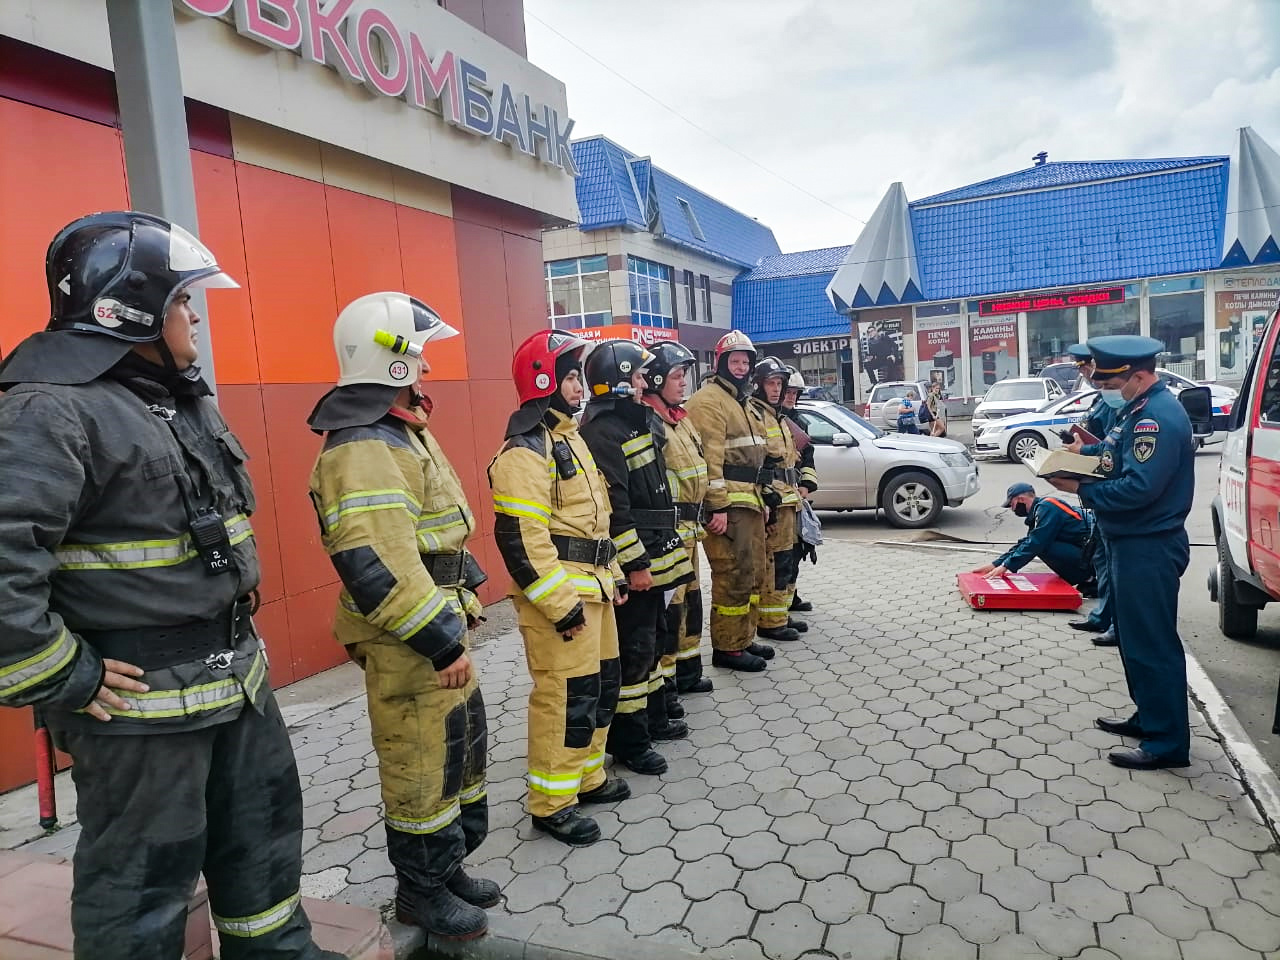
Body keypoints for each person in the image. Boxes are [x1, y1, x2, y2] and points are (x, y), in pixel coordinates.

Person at [0, 211, 342, 960]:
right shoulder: (47, 409)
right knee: (141, 898)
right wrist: (65, 676)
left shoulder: (173, 397)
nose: (194, 316)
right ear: (135, 308)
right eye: (185, 301)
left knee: (264, 866)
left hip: (237, 691)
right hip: (140, 717)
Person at [306, 293, 495, 940]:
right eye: (418, 355)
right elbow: (376, 562)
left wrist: (466, 580)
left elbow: (426, 529)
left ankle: (448, 872)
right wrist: (442, 641)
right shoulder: (362, 443)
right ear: (388, 359)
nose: (428, 369)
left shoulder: (398, 427)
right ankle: (420, 893)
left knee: (456, 754)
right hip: (410, 638)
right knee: (419, 765)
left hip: (436, 622)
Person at [487, 331, 631, 846]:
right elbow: (521, 540)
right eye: (570, 376)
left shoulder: (569, 436)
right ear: (543, 380)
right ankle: (551, 803)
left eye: (577, 376)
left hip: (592, 589)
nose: (579, 386)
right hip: (562, 602)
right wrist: (560, 605)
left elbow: (593, 523)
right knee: (564, 700)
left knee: (600, 689)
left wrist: (610, 577)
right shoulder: (524, 450)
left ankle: (586, 777)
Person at [1051, 335, 1195, 770]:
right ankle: (1148, 717)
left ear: (1138, 375)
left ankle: (1167, 742)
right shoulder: (1136, 410)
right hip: (1129, 541)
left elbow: (1139, 487)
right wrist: (1083, 452)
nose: (1105, 388)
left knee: (1152, 645)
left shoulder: (1157, 417)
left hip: (1148, 544)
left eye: (1111, 381)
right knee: (1134, 641)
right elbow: (1115, 452)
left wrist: (1080, 486)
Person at [580, 340, 694, 776]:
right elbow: (617, 508)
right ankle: (630, 741)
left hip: (657, 547)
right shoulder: (603, 432)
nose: (646, 383)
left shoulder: (633, 423)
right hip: (639, 557)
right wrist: (635, 566)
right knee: (635, 650)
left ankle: (651, 719)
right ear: (621, 381)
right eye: (639, 377)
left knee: (655, 639)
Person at [685, 331, 777, 672]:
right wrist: (717, 506)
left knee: (752, 574)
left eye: (745, 362)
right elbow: (710, 460)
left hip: (749, 500)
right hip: (729, 507)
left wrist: (763, 495)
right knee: (733, 574)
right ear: (721, 363)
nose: (740, 367)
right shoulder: (709, 401)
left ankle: (744, 637)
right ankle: (727, 648)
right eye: (734, 361)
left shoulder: (741, 400)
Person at [641, 342, 714, 699]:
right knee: (669, 611)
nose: (683, 383)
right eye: (676, 376)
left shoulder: (677, 419)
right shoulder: (651, 422)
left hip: (689, 530)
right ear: (655, 379)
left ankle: (687, 671)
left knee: (691, 603)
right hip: (668, 534)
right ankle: (665, 685)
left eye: (684, 375)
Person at [1063, 343, 1117, 645]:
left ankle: (1114, 623)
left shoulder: (1114, 401)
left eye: (1085, 368)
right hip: (1098, 491)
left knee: (1111, 562)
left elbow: (1110, 449)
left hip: (1106, 489)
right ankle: (1102, 616)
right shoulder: (1101, 398)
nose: (1084, 374)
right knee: (1100, 557)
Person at [750, 356, 805, 642]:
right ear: (758, 385)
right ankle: (770, 621)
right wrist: (765, 499)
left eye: (779, 384)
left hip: (788, 499)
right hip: (774, 501)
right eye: (770, 383)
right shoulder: (756, 415)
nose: (776, 389)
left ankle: (780, 615)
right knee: (773, 561)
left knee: (786, 560)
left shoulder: (777, 416)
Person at [974, 482, 1095, 589]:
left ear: (1021, 499)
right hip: (1083, 550)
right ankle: (1086, 578)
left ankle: (1089, 580)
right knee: (1035, 545)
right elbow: (1026, 542)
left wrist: (1006, 566)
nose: (1012, 509)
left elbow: (1036, 542)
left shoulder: (1047, 507)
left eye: (1012, 504)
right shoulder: (1040, 510)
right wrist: (997, 564)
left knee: (1042, 547)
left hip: (1093, 553)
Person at [780, 366, 819, 612]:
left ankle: (790, 597)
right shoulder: (767, 419)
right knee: (781, 553)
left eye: (796, 393)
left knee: (797, 549)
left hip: (796, 494)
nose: (791, 397)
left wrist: (806, 485)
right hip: (777, 495)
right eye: (788, 392)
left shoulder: (800, 423)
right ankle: (778, 603)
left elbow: (808, 458)